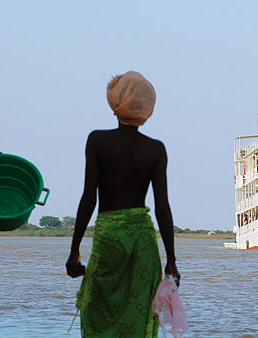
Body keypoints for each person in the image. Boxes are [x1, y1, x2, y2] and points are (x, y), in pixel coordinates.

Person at [65, 71, 180, 337]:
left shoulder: (96, 140)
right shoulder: (156, 149)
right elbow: (162, 207)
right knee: (138, 316)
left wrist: (74, 251)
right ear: (146, 109)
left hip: (108, 240)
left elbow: (88, 198)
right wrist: (171, 260)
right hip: (142, 242)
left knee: (98, 312)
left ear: (115, 105)